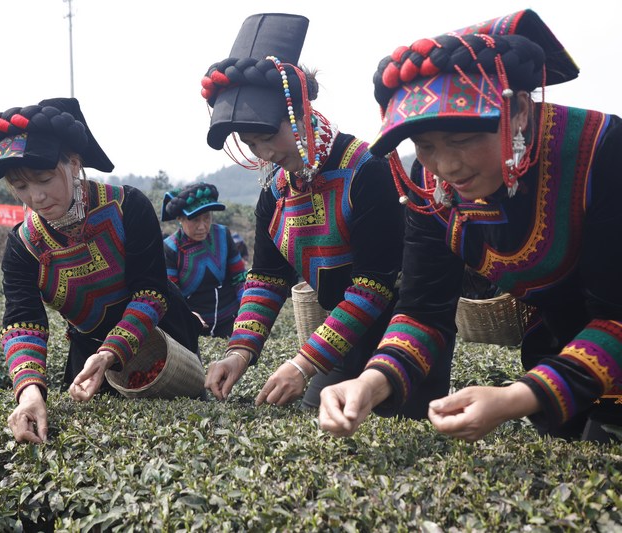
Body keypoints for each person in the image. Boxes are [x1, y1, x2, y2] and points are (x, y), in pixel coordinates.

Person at [318, 9, 622, 442]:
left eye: (461, 141)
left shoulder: (601, 151)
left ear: (517, 112)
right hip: (559, 347)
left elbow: (616, 314)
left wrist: (516, 397)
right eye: (424, 146)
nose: (446, 166)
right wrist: (371, 382)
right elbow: (424, 309)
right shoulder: (431, 189)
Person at [201, 13, 451, 412]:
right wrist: (239, 352)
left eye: (268, 137)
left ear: (300, 113)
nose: (264, 154)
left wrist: (304, 364)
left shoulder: (368, 170)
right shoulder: (276, 192)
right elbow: (266, 279)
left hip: (402, 334)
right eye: (250, 144)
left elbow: (373, 286)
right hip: (340, 340)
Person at [0, 97, 202, 444]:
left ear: (74, 164)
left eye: (45, 179)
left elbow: (150, 293)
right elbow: (23, 322)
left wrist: (112, 352)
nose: (36, 197)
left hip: (163, 337)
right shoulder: (23, 244)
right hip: (88, 350)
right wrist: (30, 392)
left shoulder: (128, 206)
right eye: (20, 187)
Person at [162, 182, 247, 338]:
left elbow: (239, 277)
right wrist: (188, 315)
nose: (202, 226)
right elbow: (172, 295)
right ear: (180, 218)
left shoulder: (222, 235)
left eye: (206, 218)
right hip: (196, 328)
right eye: (195, 219)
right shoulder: (170, 248)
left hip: (232, 322)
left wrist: (246, 310)